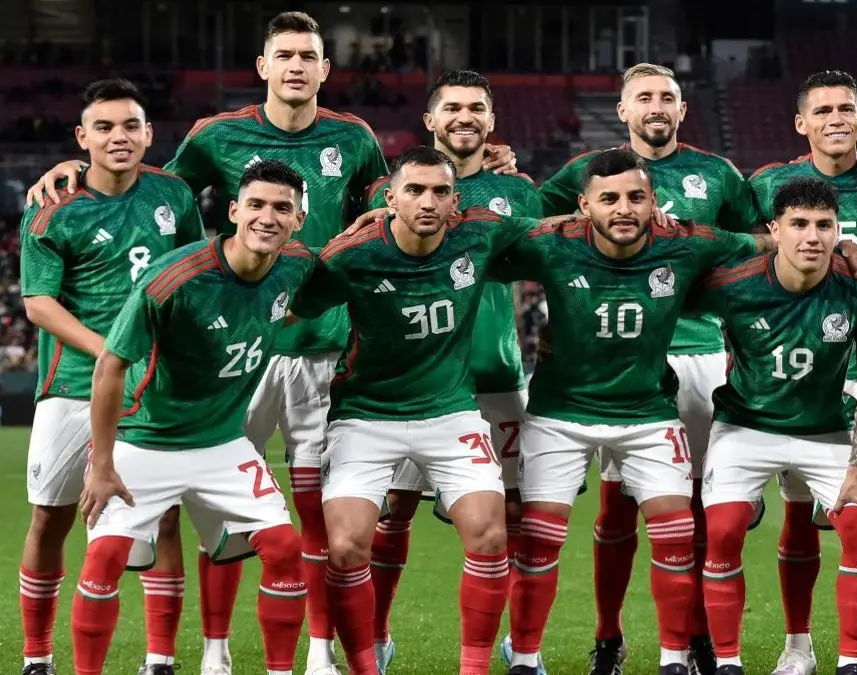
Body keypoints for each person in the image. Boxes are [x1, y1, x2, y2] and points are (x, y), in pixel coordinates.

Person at [24, 15, 517, 673]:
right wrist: (79, 169)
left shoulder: (354, 136)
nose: (295, 66)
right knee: (218, 510)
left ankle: (318, 653)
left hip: (322, 347)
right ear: (263, 66)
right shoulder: (216, 135)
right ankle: (217, 651)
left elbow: (400, 200)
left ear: (323, 69)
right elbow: (150, 188)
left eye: (307, 56)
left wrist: (488, 163)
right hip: (239, 352)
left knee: (313, 512)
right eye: (283, 55)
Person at [501, 148, 766, 675]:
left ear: (654, 203)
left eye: (636, 197)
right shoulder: (552, 245)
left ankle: (673, 659)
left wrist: (846, 254)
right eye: (609, 198)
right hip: (560, 414)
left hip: (648, 412)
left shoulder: (686, 243)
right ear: (583, 206)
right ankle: (526, 660)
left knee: (675, 529)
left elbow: (767, 244)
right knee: (538, 539)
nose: (624, 208)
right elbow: (463, 238)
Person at [291, 146, 539, 675]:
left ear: (455, 200)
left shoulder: (481, 233)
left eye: (440, 192)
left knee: (491, 534)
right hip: (366, 417)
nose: (428, 202)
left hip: (450, 415)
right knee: (348, 545)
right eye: (415, 190)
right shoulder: (351, 255)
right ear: (390, 197)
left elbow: (560, 228)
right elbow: (290, 303)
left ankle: (472, 668)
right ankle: (364, 663)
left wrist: (613, 211)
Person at [75, 159, 316, 675]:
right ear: (233, 210)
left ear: (299, 219)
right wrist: (102, 462)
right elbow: (111, 366)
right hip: (146, 442)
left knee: (285, 547)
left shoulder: (297, 266)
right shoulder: (175, 279)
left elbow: (339, 271)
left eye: (282, 208)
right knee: (104, 558)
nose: (267, 217)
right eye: (255, 205)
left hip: (223, 444)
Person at [18, 78, 205, 675]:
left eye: (130, 126)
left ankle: (159, 659)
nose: (118, 137)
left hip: (155, 386)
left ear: (149, 134)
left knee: (164, 515)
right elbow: (39, 304)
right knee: (51, 515)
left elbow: (194, 277)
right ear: (82, 138)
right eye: (104, 127)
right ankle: (37, 656)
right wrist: (112, 352)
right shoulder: (53, 208)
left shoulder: (174, 196)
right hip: (74, 383)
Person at [361, 70, 544, 673]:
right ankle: (379, 636)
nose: (465, 118)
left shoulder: (518, 192)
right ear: (431, 121)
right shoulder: (385, 193)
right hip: (409, 381)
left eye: (477, 110)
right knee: (393, 511)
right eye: (453, 109)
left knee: (512, 518)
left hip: (494, 373)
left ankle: (520, 648)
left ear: (491, 123)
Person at [747, 70, 857, 675]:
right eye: (821, 110)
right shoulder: (769, 182)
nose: (835, 119)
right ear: (802, 123)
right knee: (798, 508)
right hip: (801, 373)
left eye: (845, 107)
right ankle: (798, 647)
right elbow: (747, 252)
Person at [699, 177, 857, 675]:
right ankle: (727, 663)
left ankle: (850, 664)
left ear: (837, 232)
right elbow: (665, 307)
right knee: (721, 531)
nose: (812, 236)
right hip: (745, 426)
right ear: (774, 231)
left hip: (825, 428)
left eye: (824, 225)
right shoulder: (732, 283)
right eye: (799, 225)